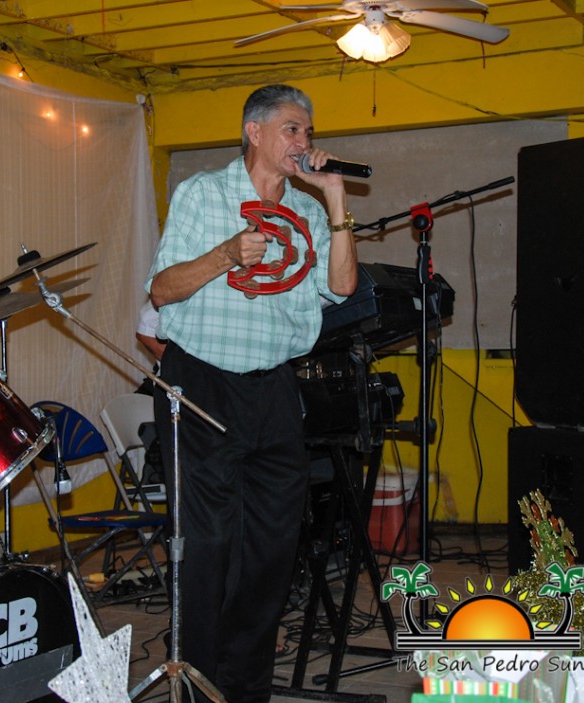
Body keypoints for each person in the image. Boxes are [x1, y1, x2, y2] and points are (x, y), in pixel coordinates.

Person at [146, 84, 358, 703]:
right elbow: (161, 290)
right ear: (254, 132)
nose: (304, 142)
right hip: (202, 385)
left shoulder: (310, 213)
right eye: (293, 129)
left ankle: (244, 691)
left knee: (271, 547)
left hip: (273, 391)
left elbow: (343, 287)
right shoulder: (203, 194)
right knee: (207, 547)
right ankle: (198, 686)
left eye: (309, 132)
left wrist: (336, 197)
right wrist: (223, 255)